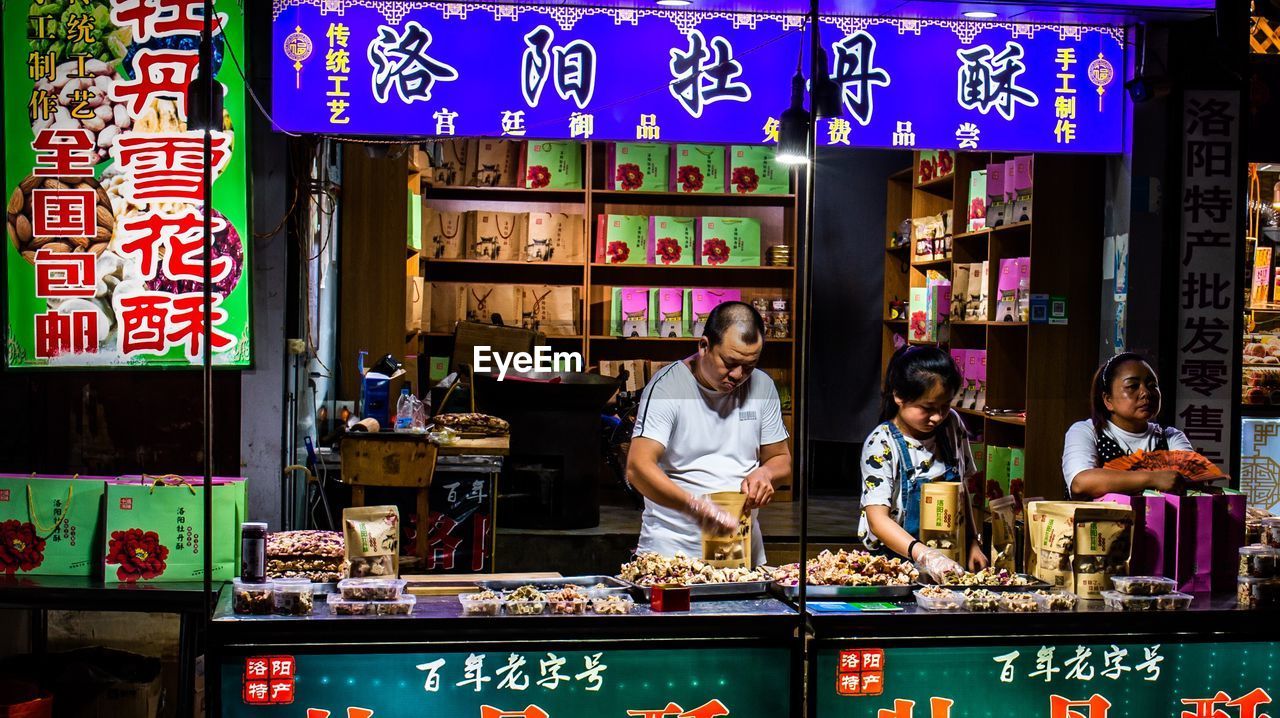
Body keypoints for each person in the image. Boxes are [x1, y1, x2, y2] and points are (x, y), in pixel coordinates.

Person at [626, 301, 792, 565]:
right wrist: (697, 508)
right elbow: (638, 468)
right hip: (673, 552)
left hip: (740, 550)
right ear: (704, 346)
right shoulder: (669, 386)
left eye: (749, 366)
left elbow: (782, 460)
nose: (738, 375)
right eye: (730, 362)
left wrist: (766, 473)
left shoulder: (762, 386)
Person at [858, 346, 987, 581]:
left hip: (950, 561)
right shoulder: (881, 444)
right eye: (927, 408)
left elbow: (963, 488)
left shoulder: (951, 425)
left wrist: (971, 541)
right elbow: (877, 520)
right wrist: (927, 555)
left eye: (945, 406)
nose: (937, 416)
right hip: (896, 564)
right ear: (899, 396)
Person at [1062, 352, 1194, 499]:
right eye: (1132, 386)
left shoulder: (1171, 436)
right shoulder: (1086, 431)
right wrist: (1154, 478)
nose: (1145, 393)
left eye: (1152, 385)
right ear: (1108, 400)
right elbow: (1081, 482)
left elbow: (1190, 476)